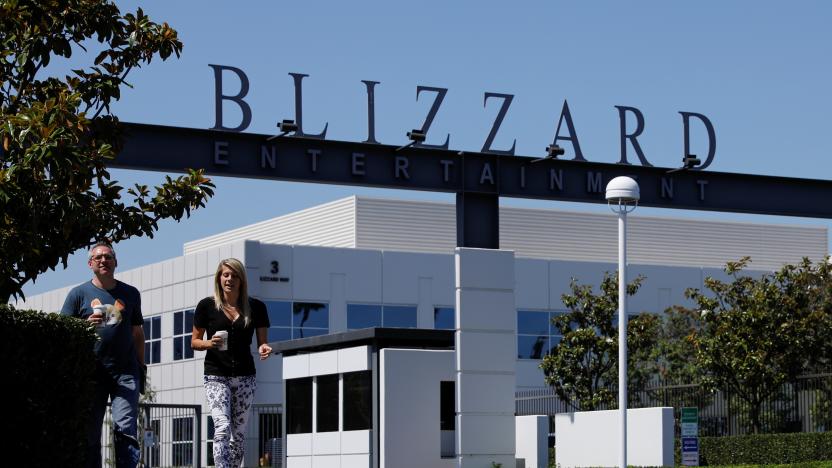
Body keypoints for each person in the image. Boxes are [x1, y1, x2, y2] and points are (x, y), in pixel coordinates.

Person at [61, 241, 145, 468]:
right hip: (92, 373)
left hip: (126, 372)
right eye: (98, 258)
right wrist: (84, 324)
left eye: (108, 257)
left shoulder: (130, 293)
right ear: (90, 264)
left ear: (115, 262)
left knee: (125, 428)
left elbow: (137, 332)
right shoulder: (78, 294)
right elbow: (63, 332)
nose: (103, 261)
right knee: (90, 432)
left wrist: (141, 366)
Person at [192, 258, 273, 468]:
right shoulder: (207, 306)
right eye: (226, 274)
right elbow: (194, 341)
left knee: (237, 435)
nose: (230, 279)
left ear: (241, 280)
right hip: (216, 375)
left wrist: (264, 348)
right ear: (219, 278)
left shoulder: (256, 307)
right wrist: (209, 343)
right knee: (222, 427)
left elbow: (262, 343)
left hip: (246, 377)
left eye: (234, 275)